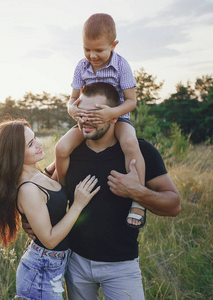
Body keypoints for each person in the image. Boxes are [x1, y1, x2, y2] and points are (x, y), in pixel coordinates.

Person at [27, 82, 181, 299]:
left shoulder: (140, 151)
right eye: (82, 113)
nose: (85, 119)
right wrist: (31, 223)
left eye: (95, 113)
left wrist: (138, 192)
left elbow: (174, 205)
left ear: (114, 116)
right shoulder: (70, 153)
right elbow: (48, 200)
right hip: (76, 263)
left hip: (122, 267)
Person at [0, 119, 101, 300]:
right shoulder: (28, 189)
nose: (39, 144)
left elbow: (67, 146)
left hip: (52, 266)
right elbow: (50, 240)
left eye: (35, 137)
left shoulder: (37, 173)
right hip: (40, 273)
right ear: (15, 154)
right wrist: (78, 204)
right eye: (31, 144)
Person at [55, 13, 146, 228]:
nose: (92, 55)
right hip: (86, 120)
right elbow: (73, 98)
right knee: (61, 148)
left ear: (113, 45)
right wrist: (71, 109)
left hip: (117, 119)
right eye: (87, 49)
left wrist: (111, 113)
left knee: (130, 144)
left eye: (99, 50)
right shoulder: (81, 67)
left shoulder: (122, 66)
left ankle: (138, 199)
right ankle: (62, 190)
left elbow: (131, 101)